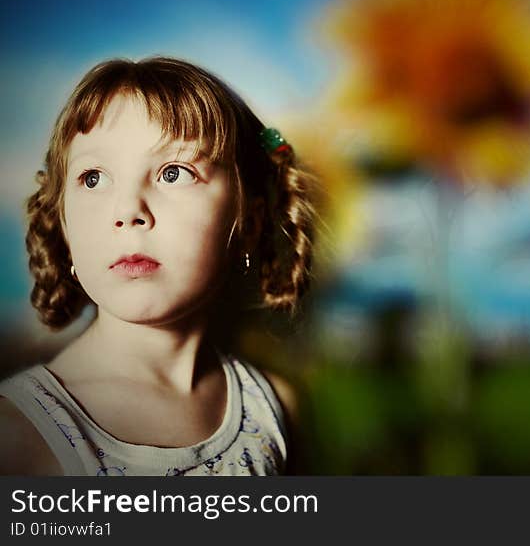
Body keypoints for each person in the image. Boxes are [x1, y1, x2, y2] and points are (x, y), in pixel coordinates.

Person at [0, 57, 315, 475]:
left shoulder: (274, 411)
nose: (128, 210)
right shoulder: (18, 435)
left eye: (173, 172)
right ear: (64, 225)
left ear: (249, 222)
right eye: (93, 178)